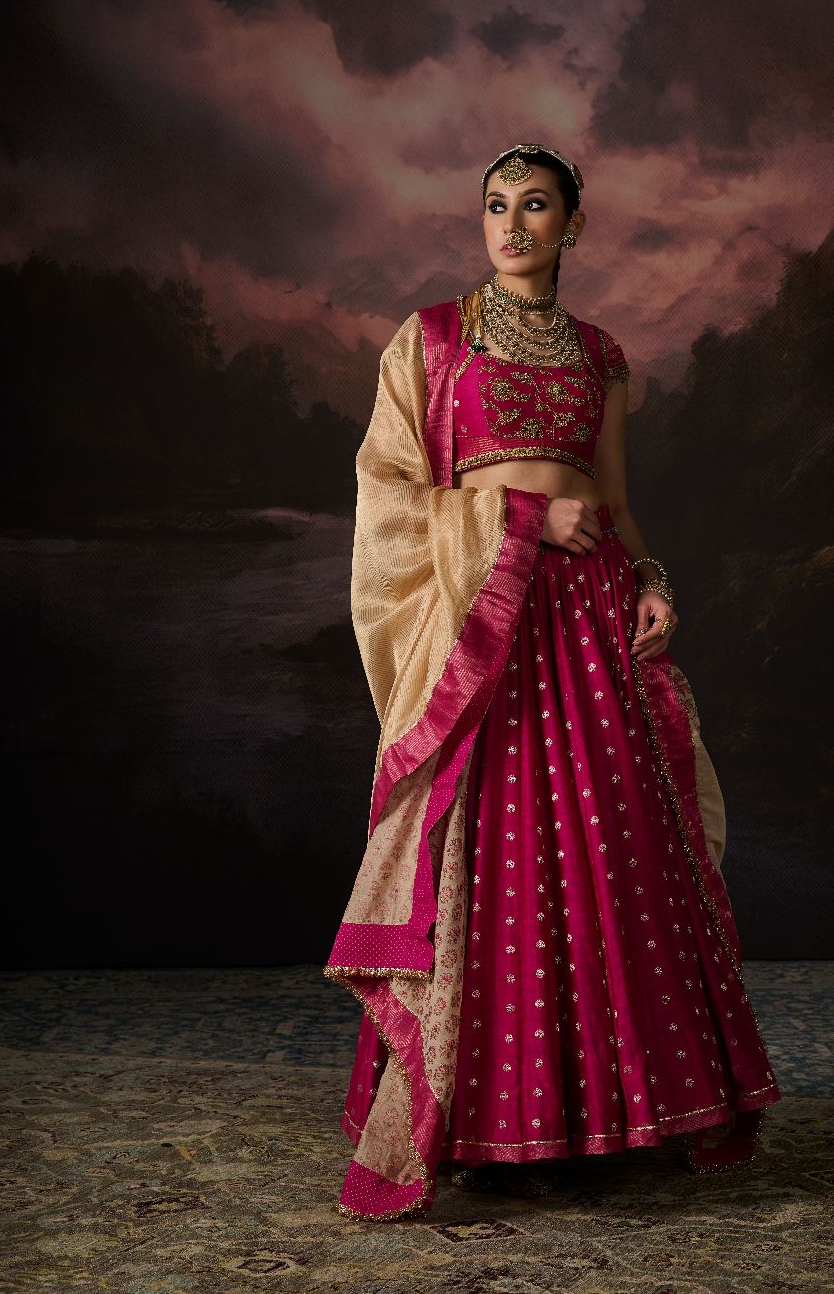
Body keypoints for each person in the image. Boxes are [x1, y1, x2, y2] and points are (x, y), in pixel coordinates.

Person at [324, 142, 781, 1222]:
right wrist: (522, 516)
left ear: (572, 224)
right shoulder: (435, 339)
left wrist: (652, 582)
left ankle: (608, 1116)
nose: (513, 223)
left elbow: (613, 501)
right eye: (496, 205)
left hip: (587, 614)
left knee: (611, 852)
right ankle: (487, 1123)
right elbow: (386, 496)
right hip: (484, 620)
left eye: (536, 206)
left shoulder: (601, 354)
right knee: (497, 853)